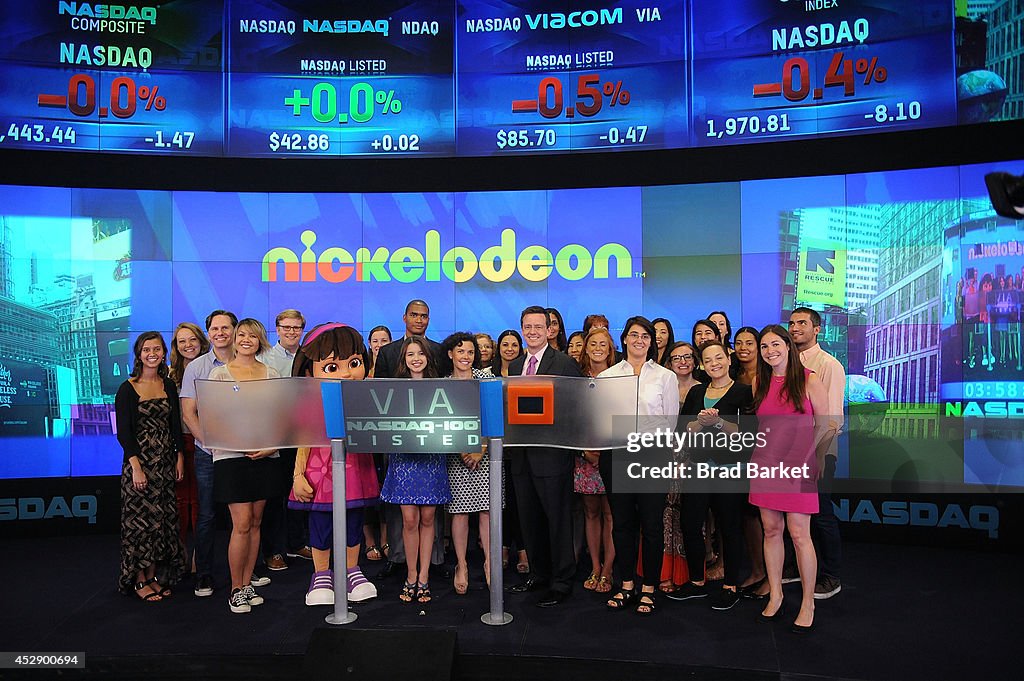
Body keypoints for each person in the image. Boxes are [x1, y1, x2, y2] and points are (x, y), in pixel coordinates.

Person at [289, 323, 380, 606]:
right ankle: (321, 574)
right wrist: (297, 475)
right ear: (309, 371)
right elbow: (302, 441)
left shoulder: (364, 398)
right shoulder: (308, 403)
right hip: (320, 467)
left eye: (354, 363)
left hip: (355, 465)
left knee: (354, 517)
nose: (346, 372)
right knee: (320, 520)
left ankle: (352, 569)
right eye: (331, 366)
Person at [748, 324, 831, 633]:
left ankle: (807, 601)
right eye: (764, 346)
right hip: (765, 464)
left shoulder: (810, 380)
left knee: (799, 535)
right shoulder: (760, 381)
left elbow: (827, 425)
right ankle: (777, 593)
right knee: (771, 530)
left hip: (799, 466)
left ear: (788, 345)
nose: (770, 351)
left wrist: (818, 458)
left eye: (775, 344)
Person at [598, 317, 679, 615]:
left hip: (652, 455)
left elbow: (670, 423)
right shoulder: (608, 376)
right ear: (624, 339)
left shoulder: (665, 377)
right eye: (634, 335)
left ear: (652, 342)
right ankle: (627, 584)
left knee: (652, 525)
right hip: (616, 454)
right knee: (622, 524)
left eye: (645, 336)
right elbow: (601, 420)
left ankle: (649, 588)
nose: (639, 340)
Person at [668, 340, 754, 611]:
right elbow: (684, 431)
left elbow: (748, 436)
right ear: (702, 364)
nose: (714, 363)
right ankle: (696, 582)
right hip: (698, 469)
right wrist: (699, 423)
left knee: (730, 527)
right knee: (691, 523)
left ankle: (730, 585)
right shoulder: (696, 392)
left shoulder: (743, 392)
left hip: (730, 472)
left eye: (719, 357)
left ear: (728, 359)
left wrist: (717, 422)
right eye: (708, 359)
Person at [506, 305, 582, 607]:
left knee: (558, 520)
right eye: (528, 326)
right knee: (529, 520)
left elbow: (575, 408)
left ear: (549, 329)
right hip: (522, 458)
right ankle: (538, 575)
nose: (533, 331)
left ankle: (562, 581)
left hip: (552, 457)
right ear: (522, 328)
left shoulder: (563, 363)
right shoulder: (514, 367)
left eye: (539, 326)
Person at [208, 319, 283, 613]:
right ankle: (235, 588)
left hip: (266, 456)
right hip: (231, 457)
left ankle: (248, 584)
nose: (246, 340)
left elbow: (282, 417)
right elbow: (214, 419)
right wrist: (240, 445)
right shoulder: (219, 375)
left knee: (255, 523)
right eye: (241, 335)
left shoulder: (271, 373)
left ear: (260, 340)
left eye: (252, 336)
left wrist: (271, 447)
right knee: (240, 524)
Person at [373, 301, 445, 581]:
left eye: (424, 315)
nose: (419, 319)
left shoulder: (438, 351)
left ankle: (432, 562)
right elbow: (377, 398)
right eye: (414, 315)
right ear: (404, 317)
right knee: (403, 515)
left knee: (430, 514)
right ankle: (399, 558)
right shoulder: (389, 352)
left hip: (433, 450)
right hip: (399, 449)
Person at [379, 336, 452, 604]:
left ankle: (424, 577)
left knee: (428, 518)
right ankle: (410, 576)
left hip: (431, 458)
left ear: (428, 357)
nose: (416, 358)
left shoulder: (440, 387)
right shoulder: (393, 389)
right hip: (404, 459)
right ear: (404, 360)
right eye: (410, 354)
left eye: (420, 353)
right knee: (409, 520)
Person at [116, 331, 187, 602]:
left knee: (163, 524)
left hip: (165, 465)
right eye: (146, 349)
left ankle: (155, 577)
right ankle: (139, 580)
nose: (152, 353)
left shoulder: (168, 385)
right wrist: (136, 467)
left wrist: (179, 456)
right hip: (139, 466)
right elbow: (124, 433)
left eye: (157, 349)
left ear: (163, 353)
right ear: (139, 354)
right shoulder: (127, 388)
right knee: (140, 526)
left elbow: (174, 426)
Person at [179, 309, 237, 598]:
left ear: (234, 330)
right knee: (207, 515)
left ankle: (246, 575)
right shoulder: (196, 368)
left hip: (242, 452)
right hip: (208, 452)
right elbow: (188, 413)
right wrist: (209, 443)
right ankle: (203, 575)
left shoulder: (248, 363)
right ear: (209, 332)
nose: (220, 333)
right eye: (215, 328)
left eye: (225, 328)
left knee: (244, 516)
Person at [788, 307, 845, 600]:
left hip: (818, 452)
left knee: (821, 514)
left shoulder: (828, 365)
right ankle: (796, 568)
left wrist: (818, 456)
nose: (795, 327)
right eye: (792, 322)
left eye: (802, 323)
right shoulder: (786, 362)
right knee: (791, 517)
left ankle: (831, 576)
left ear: (817, 329)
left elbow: (832, 420)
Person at [442, 332, 503, 594]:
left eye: (470, 352)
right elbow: (441, 423)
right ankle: (462, 565)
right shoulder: (443, 384)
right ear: (450, 354)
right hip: (457, 458)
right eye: (460, 351)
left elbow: (496, 416)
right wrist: (461, 449)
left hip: (487, 454)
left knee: (489, 511)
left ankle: (491, 563)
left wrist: (481, 447)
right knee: (460, 513)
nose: (465, 356)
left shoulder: (486, 379)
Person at [259, 309, 307, 572]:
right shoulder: (264, 357)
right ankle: (274, 550)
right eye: (286, 327)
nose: (291, 332)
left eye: (296, 327)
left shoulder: (308, 356)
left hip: (301, 434)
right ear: (277, 328)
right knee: (275, 496)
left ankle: (297, 542)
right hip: (274, 435)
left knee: (299, 489)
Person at [575, 327, 617, 594]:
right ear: (586, 348)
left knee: (611, 514)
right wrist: (585, 451)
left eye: (604, 343)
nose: (598, 348)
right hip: (584, 455)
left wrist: (607, 452)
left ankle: (609, 569)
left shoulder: (621, 377)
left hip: (613, 454)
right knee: (591, 513)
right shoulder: (576, 380)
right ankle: (594, 565)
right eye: (593, 343)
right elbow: (569, 418)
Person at [660, 341, 702, 592]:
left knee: (693, 517)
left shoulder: (703, 389)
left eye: (687, 357)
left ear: (695, 361)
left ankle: (692, 571)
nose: (682, 361)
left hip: (694, 458)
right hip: (664, 455)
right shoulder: (662, 386)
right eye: (676, 358)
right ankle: (665, 571)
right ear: (669, 362)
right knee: (665, 514)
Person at [168, 322, 208, 575]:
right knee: (181, 502)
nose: (187, 345)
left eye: (192, 340)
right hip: (180, 443)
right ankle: (179, 554)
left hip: (205, 442)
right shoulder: (169, 375)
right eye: (182, 341)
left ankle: (198, 557)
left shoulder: (210, 369)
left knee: (202, 504)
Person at [489, 328, 528, 573]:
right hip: (494, 450)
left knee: (518, 502)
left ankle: (523, 550)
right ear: (499, 349)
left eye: (515, 345)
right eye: (506, 345)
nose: (510, 349)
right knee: (499, 503)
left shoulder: (525, 373)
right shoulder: (489, 376)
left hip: (519, 449)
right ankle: (502, 547)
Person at [363, 324, 392, 560]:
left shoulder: (392, 369)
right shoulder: (358, 368)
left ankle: (384, 539)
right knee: (365, 488)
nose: (379, 345)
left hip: (386, 438)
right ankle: (369, 541)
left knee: (384, 488)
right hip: (363, 438)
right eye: (375, 340)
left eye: (384, 340)